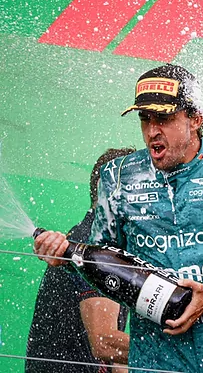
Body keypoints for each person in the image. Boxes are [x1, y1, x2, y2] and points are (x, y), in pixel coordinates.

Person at [34, 64, 203, 372]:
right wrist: (68, 258)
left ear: (195, 118)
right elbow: (103, 264)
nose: (152, 131)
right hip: (155, 357)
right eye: (145, 119)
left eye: (164, 118)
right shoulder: (117, 177)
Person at [26, 148, 134, 373]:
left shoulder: (102, 238)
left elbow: (115, 359)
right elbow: (104, 341)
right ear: (111, 190)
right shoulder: (93, 243)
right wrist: (175, 355)